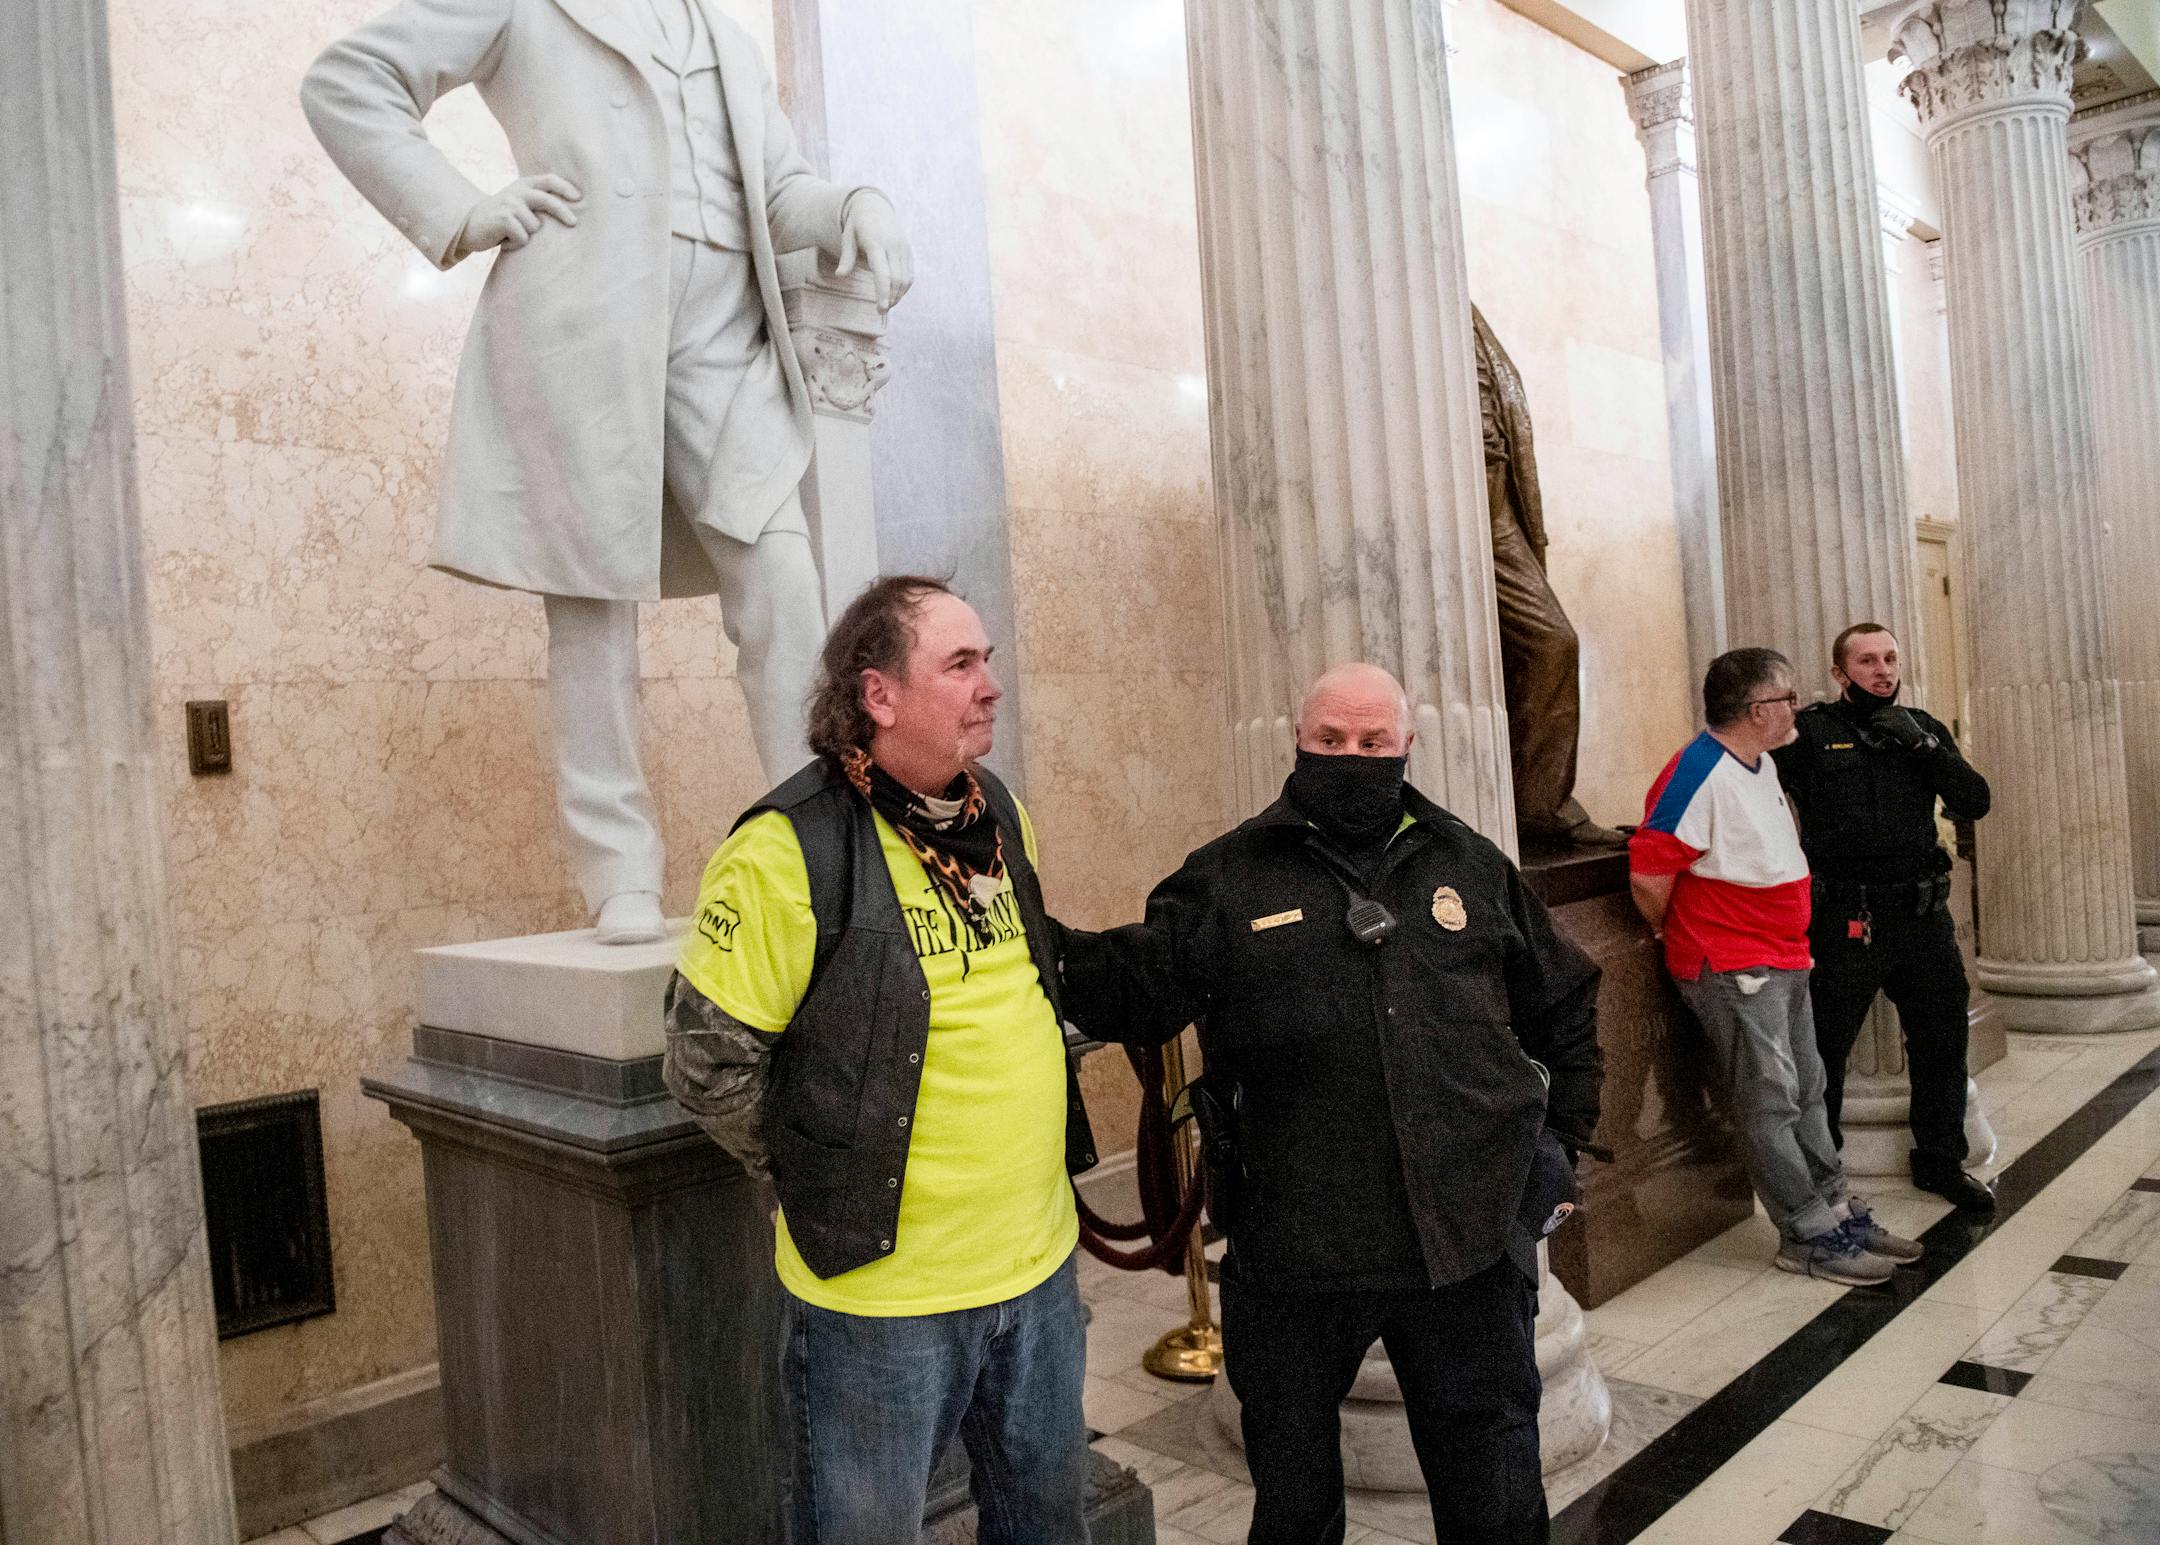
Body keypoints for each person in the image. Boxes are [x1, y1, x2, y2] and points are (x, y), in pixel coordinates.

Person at [302, 0, 913, 944]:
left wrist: (853, 202)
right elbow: (348, 83)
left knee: (784, 580)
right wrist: (464, 208)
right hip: (582, 327)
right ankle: (618, 871)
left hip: (726, 338)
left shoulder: (728, 39)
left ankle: (821, 844)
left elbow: (780, 187)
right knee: (591, 608)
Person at [1062, 662, 1602, 1545]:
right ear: (1300, 741)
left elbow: (1566, 1000)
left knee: (1497, 1498)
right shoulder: (1226, 877)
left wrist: (1560, 1145)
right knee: (1295, 1508)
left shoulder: (1469, 861)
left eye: (1373, 742)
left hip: (1461, 1244)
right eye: (1332, 741)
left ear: (1406, 746)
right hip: (1296, 1249)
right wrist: (1017, 930)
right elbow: (1136, 987)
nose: (1353, 757)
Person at [659, 576, 1095, 1545]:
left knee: (1049, 1526)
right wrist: (819, 1177)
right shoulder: (787, 850)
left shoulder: (999, 814)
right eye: (961, 664)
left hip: (1037, 1274)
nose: (992, 685)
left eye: (987, 659)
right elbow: (705, 1067)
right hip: (881, 1302)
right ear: (878, 696)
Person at [1629, 648, 1922, 1286]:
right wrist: (1668, 929)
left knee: (1808, 1090)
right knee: (1769, 1100)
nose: (1797, 706)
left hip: (1782, 955)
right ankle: (1806, 1234)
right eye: (1786, 697)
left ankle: (1837, 1209)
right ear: (1757, 709)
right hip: (1733, 962)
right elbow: (1651, 870)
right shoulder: (1696, 770)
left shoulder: (1759, 763)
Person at [1773, 624, 1995, 1212]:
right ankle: (1826, 1177)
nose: (1883, 671)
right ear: (1840, 673)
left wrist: (1928, 750)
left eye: (1891, 658)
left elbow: (1975, 800)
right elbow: (1759, 793)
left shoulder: (1922, 728)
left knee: (1943, 1038)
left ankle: (1941, 1160)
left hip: (1921, 915)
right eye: (1867, 661)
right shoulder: (1811, 734)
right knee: (1824, 1051)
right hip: (1846, 915)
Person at [1472, 305, 1624, 849]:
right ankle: (1524, 807)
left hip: (1494, 500)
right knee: (1546, 644)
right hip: (1448, 493)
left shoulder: (1463, 308)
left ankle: (1540, 805)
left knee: (1553, 644)